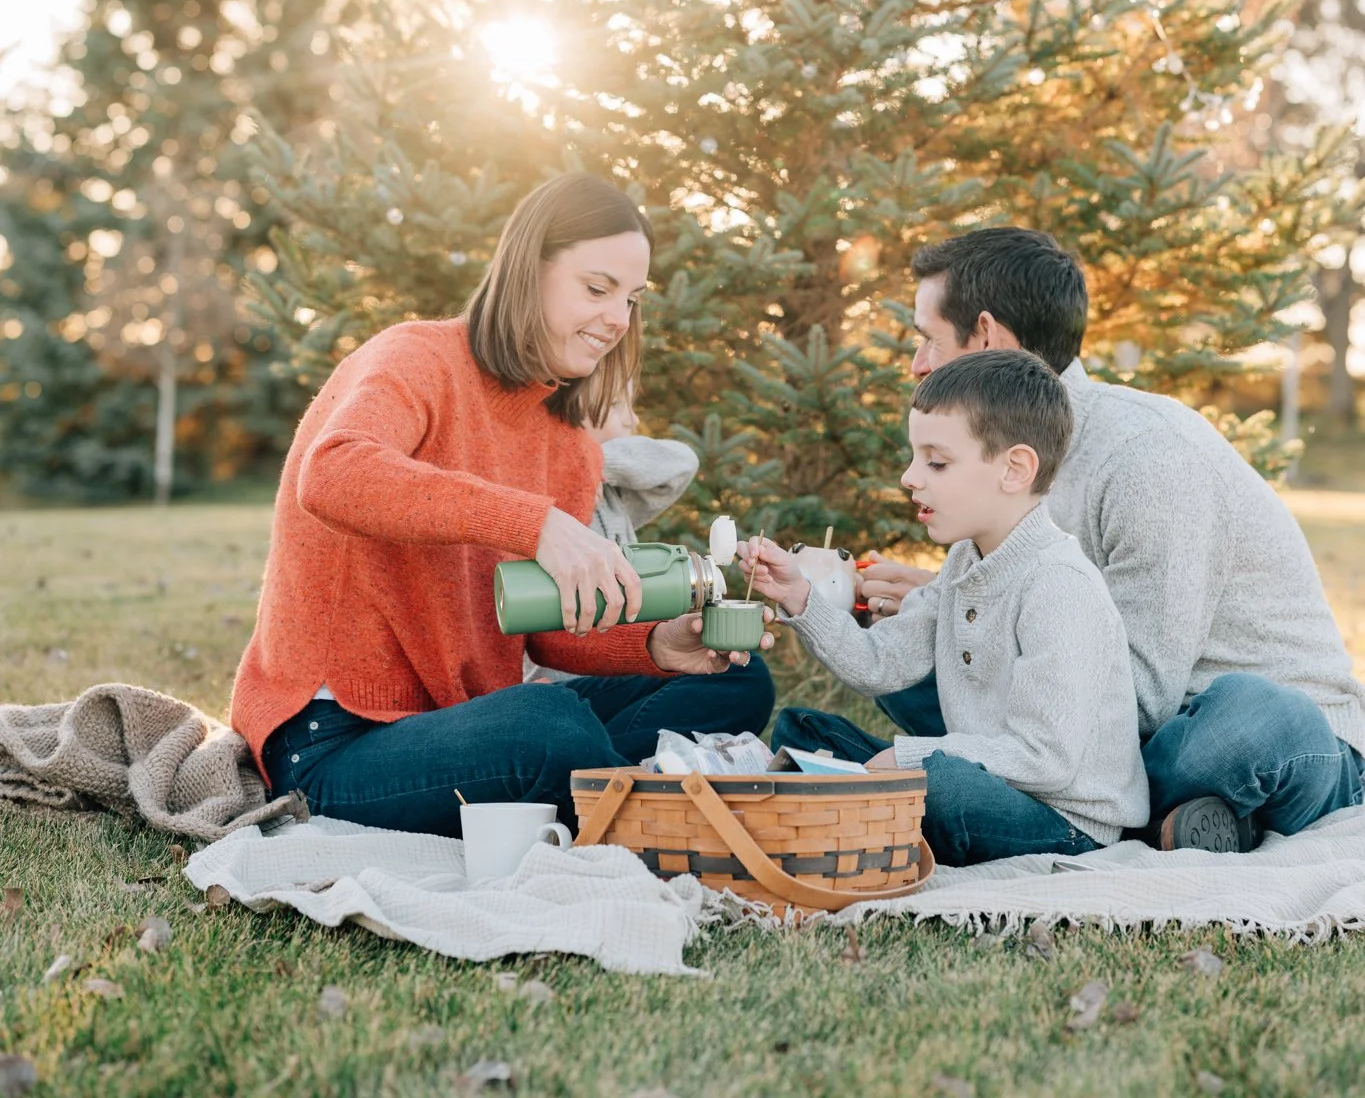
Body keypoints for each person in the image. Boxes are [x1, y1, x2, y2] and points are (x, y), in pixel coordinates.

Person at [229, 173, 773, 832]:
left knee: (735, 681)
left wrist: (658, 646)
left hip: (465, 720)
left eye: (631, 299)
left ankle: (611, 786)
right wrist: (534, 522)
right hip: (334, 741)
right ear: (526, 270)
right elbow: (334, 473)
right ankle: (641, 792)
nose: (616, 320)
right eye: (597, 289)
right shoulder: (416, 358)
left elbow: (545, 627)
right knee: (548, 723)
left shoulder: (569, 443)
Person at [861, 227, 1365, 851]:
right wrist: (946, 616)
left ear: (986, 336)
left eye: (926, 339)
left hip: (1211, 723)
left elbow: (1144, 694)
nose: (916, 364)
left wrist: (975, 630)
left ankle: (1116, 814)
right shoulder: (988, 458)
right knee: (912, 671)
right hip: (1092, 735)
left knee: (1251, 717)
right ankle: (1178, 822)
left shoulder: (1147, 457)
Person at [744, 350, 1147, 866]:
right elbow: (879, 664)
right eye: (914, 457)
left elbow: (1047, 761)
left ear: (1015, 469)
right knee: (804, 732)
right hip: (985, 780)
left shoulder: (1058, 584)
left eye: (936, 462)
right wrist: (799, 596)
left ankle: (861, 818)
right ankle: (860, 814)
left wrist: (911, 760)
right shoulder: (964, 561)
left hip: (1065, 822)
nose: (911, 477)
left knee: (945, 786)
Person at [524, 391, 699, 685]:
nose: (634, 418)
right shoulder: (541, 496)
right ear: (572, 406)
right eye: (618, 405)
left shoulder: (614, 494)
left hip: (630, 664)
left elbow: (683, 463)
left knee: (740, 675)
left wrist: (593, 463)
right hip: (564, 679)